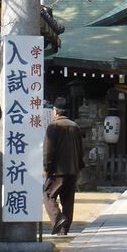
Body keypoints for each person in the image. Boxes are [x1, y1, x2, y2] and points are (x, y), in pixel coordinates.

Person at [43, 97, 84, 235]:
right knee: (68, 201)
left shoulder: (53, 126)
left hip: (57, 170)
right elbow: (80, 149)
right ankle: (64, 230)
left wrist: (46, 167)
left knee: (48, 195)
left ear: (55, 111)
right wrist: (80, 165)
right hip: (72, 169)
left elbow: (48, 150)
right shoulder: (75, 126)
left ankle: (58, 218)